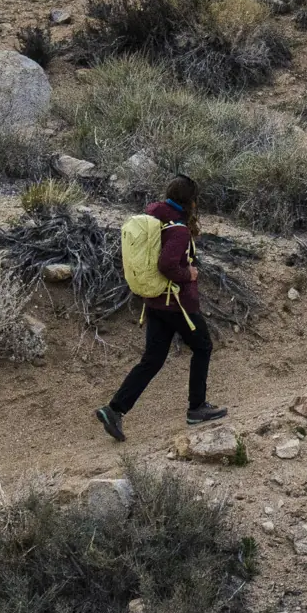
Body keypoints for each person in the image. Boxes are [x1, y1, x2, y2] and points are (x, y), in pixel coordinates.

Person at [96, 175, 227, 440]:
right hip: (177, 303)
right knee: (203, 347)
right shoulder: (178, 229)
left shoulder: (155, 217)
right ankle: (196, 408)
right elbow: (167, 265)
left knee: (152, 359)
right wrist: (188, 274)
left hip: (156, 302)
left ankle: (115, 409)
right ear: (190, 200)